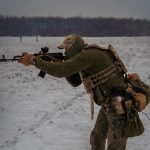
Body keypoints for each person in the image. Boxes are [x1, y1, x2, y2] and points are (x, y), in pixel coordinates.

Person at [18, 34, 146, 150]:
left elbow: (61, 71)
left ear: (75, 46)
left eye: (67, 48)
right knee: (97, 138)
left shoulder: (89, 55)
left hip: (120, 105)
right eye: (64, 49)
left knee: (114, 146)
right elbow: (75, 82)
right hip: (109, 104)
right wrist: (59, 62)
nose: (65, 51)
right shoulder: (85, 55)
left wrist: (34, 61)